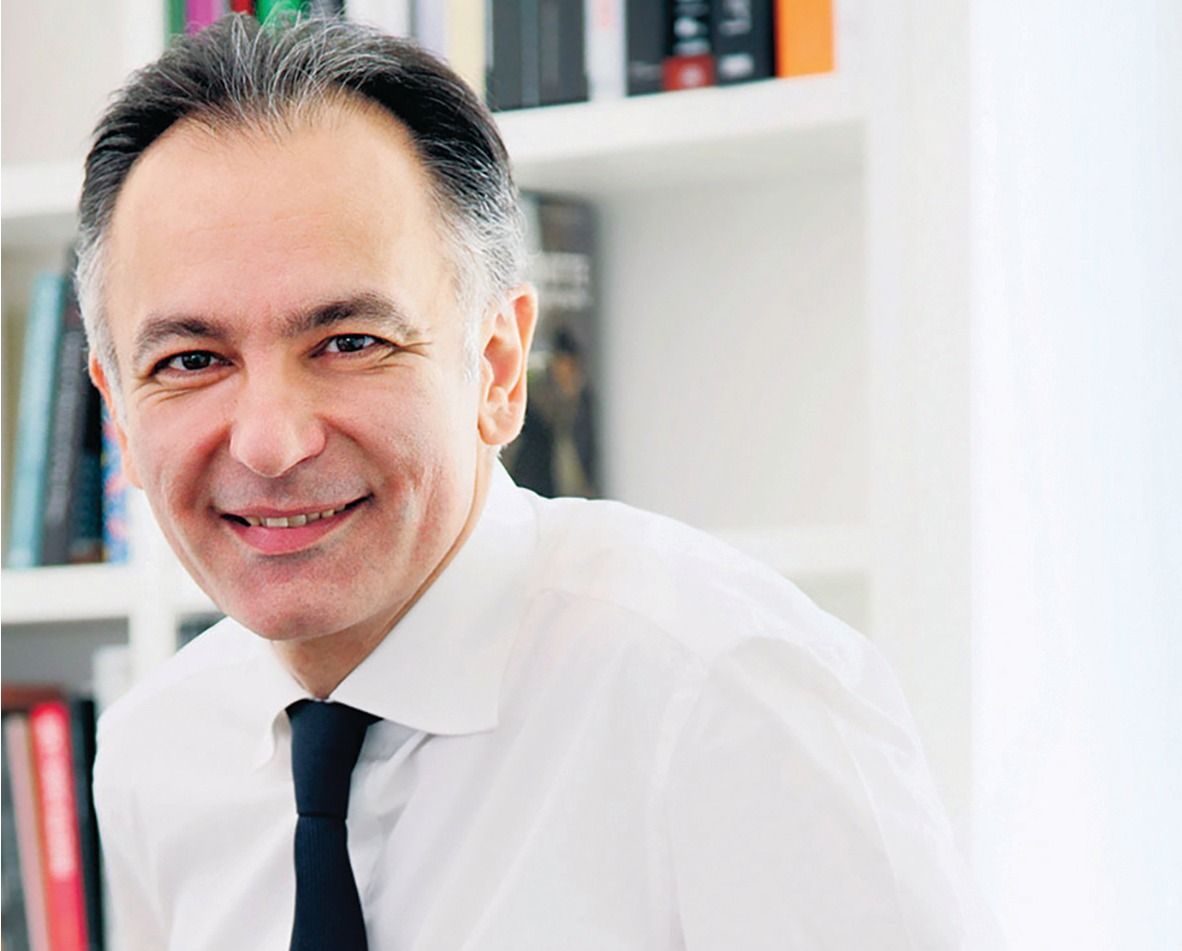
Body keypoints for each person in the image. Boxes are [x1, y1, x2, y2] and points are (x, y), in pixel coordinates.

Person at [83, 15, 996, 951]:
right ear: (118, 412)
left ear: (498, 367)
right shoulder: (154, 754)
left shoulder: (725, 695)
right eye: (190, 361)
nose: (271, 443)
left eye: (351, 342)